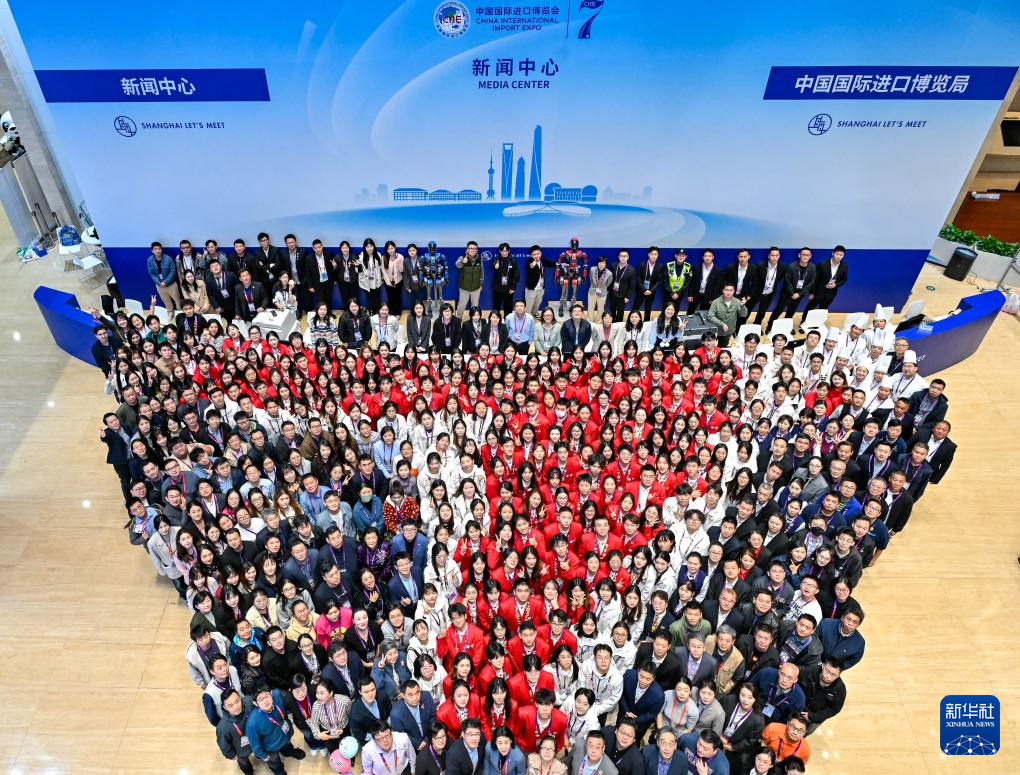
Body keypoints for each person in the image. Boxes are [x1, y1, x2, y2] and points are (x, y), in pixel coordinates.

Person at [245, 686, 307, 771]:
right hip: (271, 748)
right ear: (255, 703)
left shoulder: (277, 696)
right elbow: (254, 744)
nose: (266, 701)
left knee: (288, 747)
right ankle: (279, 771)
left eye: (267, 695)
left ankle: (289, 752)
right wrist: (263, 755)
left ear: (271, 693)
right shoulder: (252, 723)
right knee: (275, 763)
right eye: (261, 699)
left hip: (285, 736)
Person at [216, 689, 257, 775]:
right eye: (230, 705)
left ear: (240, 697)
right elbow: (224, 746)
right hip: (241, 751)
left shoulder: (248, 701)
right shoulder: (222, 727)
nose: (236, 707)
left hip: (256, 740)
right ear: (225, 707)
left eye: (237, 701)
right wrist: (232, 755)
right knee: (244, 763)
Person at [806, 245, 848, 315]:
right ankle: (804, 320)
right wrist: (811, 293)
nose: (839, 256)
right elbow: (815, 280)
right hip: (818, 293)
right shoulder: (822, 264)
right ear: (833, 253)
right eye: (837, 254)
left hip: (831, 294)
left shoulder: (844, 266)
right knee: (810, 308)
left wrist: (836, 285)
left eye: (841, 255)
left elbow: (844, 279)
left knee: (823, 310)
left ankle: (819, 321)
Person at [147, 241, 183, 311]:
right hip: (159, 285)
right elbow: (151, 273)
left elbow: (173, 271)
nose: (157, 251)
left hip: (171, 284)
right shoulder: (149, 260)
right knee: (166, 301)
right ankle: (170, 312)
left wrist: (166, 282)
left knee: (178, 300)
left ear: (161, 250)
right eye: (155, 249)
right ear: (152, 251)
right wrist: (159, 283)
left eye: (159, 249)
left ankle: (179, 312)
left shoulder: (168, 258)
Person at [607, 250, 637, 321]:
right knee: (612, 310)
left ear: (628, 257)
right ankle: (612, 324)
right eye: (621, 256)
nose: (623, 258)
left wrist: (627, 296)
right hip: (612, 294)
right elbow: (609, 279)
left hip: (623, 296)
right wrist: (608, 291)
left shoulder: (631, 270)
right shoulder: (613, 266)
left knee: (620, 312)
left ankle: (618, 325)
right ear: (618, 257)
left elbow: (632, 285)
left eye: (625, 256)